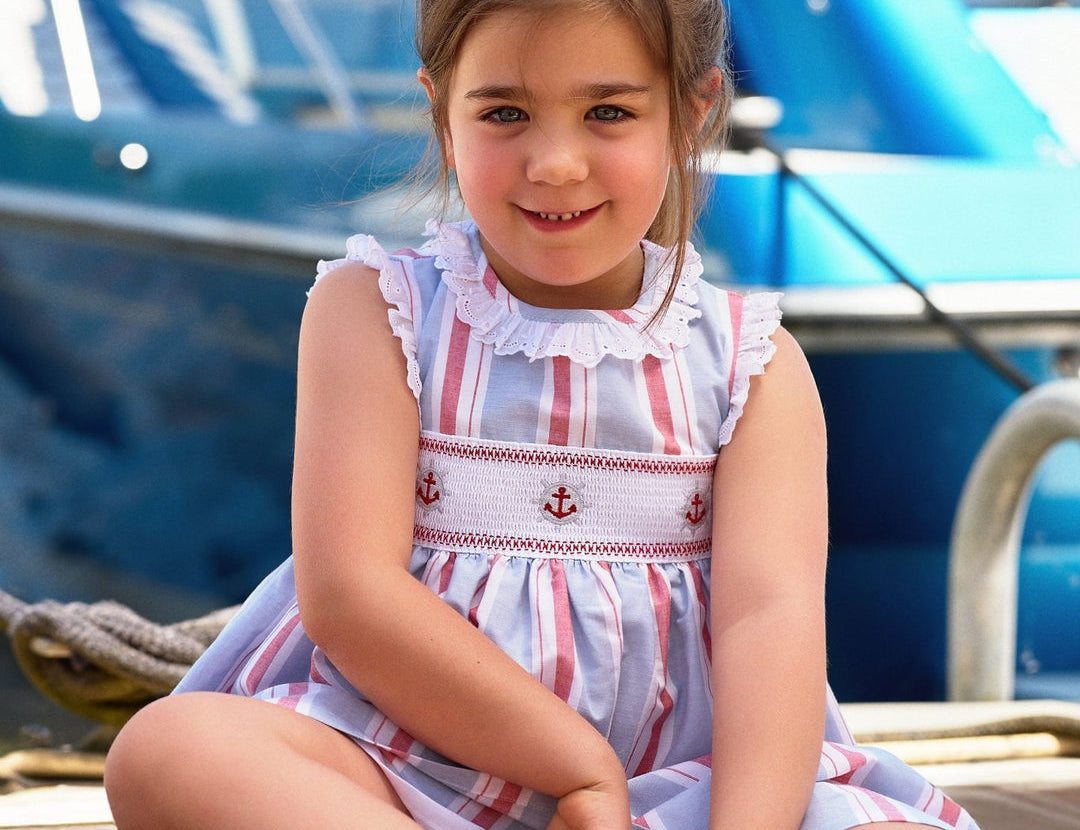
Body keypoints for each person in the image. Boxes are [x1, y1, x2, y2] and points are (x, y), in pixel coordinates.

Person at [104, 1, 981, 828]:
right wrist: (578, 768)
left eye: (608, 113)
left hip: (675, 787)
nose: (555, 163)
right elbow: (350, 596)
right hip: (406, 766)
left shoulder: (750, 366)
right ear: (442, 111)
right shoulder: (378, 311)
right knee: (171, 749)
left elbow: (768, 624)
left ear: (691, 111)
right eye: (505, 113)